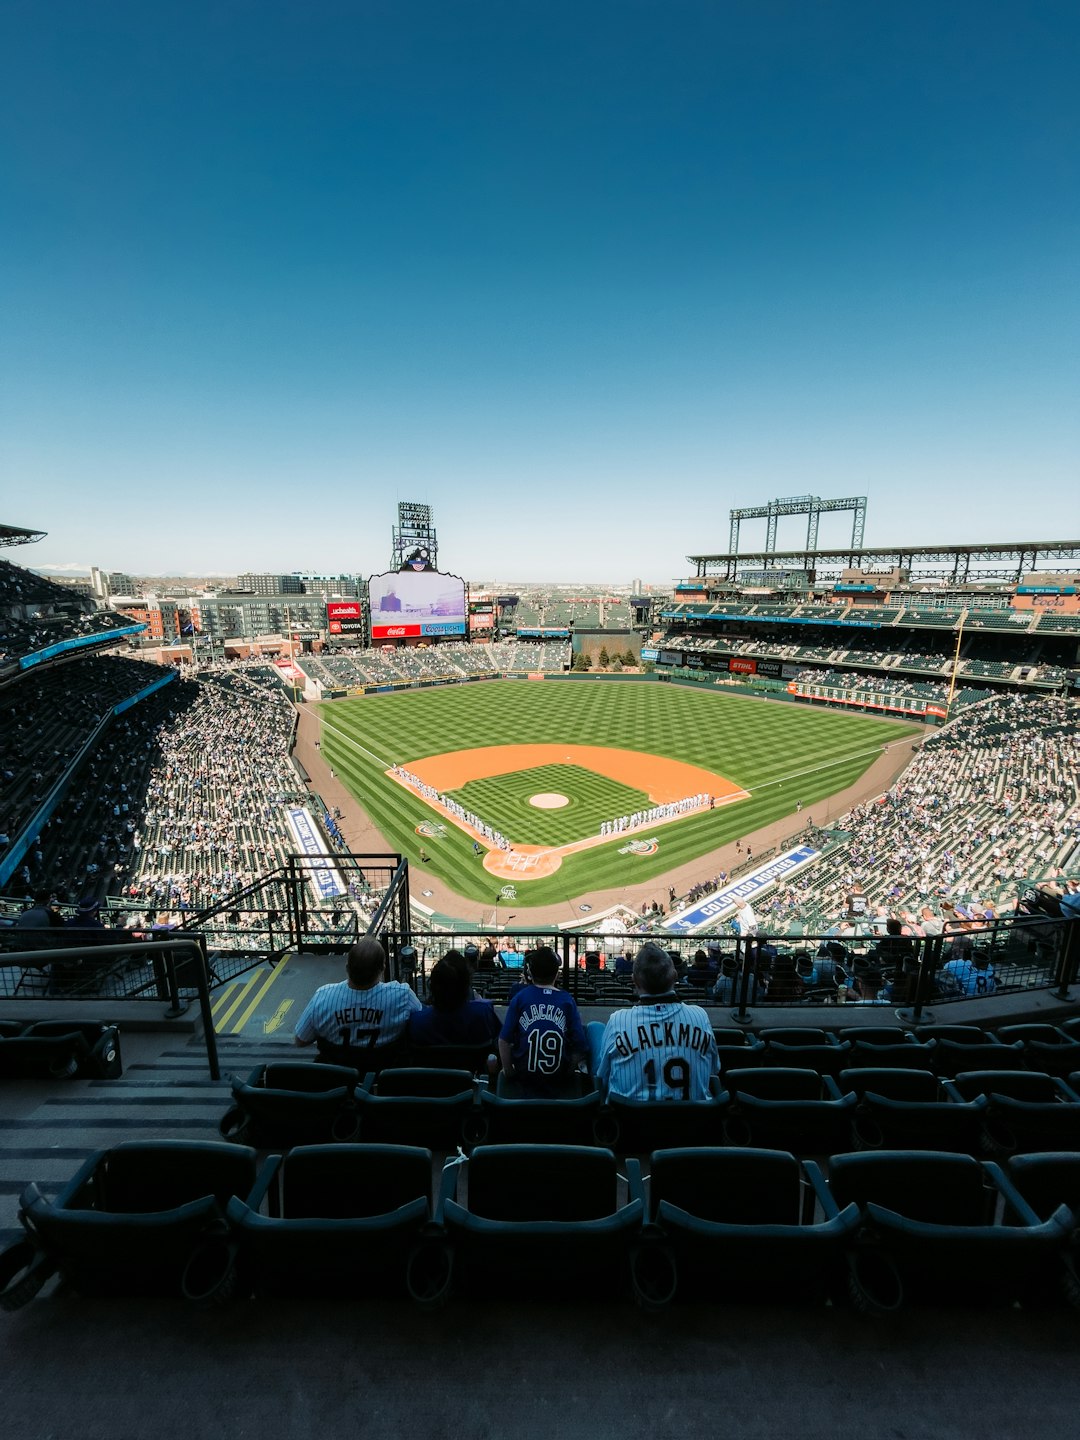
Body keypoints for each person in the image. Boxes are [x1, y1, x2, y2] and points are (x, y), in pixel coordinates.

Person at [591, 943, 719, 1101]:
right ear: (675, 976)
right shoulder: (699, 1016)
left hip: (630, 1122)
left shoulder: (618, 1021)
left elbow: (602, 1077)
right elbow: (714, 1070)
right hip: (692, 1122)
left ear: (634, 981)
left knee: (594, 1028)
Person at [294, 936, 421, 1061]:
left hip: (337, 1077)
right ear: (382, 968)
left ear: (347, 968)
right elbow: (423, 1028)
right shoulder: (403, 995)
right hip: (383, 1077)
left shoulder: (323, 996)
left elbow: (300, 1040)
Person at [497, 945, 588, 1096]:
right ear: (557, 975)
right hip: (558, 1082)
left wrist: (509, 1072)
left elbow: (503, 1040)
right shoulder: (567, 1000)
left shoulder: (520, 998)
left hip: (523, 1081)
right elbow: (580, 1047)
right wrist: (568, 1072)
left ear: (530, 973)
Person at [408, 953, 501, 1048]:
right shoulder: (484, 1013)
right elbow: (501, 1041)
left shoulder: (417, 1022)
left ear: (433, 985)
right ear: (466, 986)